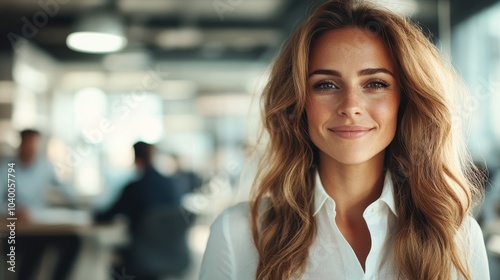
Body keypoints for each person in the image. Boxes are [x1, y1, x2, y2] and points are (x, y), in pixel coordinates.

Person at [199, 1, 489, 279]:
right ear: (298, 103)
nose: (350, 106)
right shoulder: (237, 234)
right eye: (326, 84)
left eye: (375, 84)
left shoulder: (458, 238)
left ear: (405, 101)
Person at [95, 141, 187, 279]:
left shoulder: (134, 188)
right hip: (172, 254)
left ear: (136, 160)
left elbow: (106, 216)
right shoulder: (172, 185)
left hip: (140, 258)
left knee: (117, 259)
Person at [0, 129, 81, 280]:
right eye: (29, 145)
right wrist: (12, 212)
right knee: (33, 247)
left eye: (35, 146)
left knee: (73, 240)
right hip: (17, 230)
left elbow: (65, 189)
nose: (32, 150)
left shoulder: (44, 166)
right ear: (21, 145)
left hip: (40, 227)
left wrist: (82, 202)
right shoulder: (7, 168)